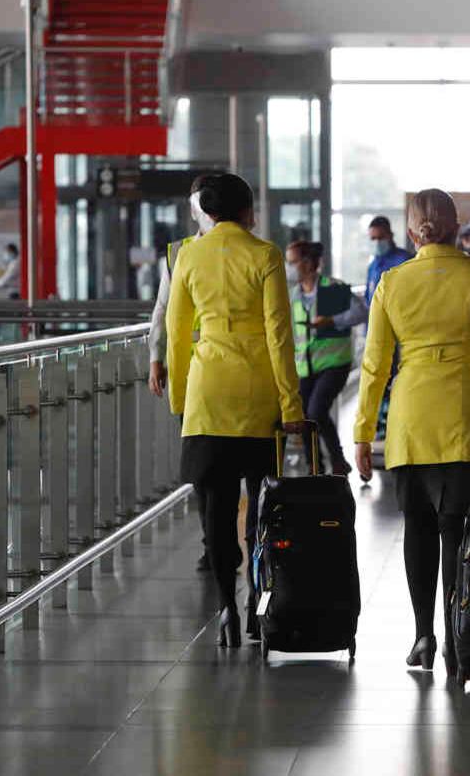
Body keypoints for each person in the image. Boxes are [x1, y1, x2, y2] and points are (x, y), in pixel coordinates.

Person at [353, 189, 470, 673]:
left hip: (412, 418)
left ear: (411, 232)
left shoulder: (391, 282)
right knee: (460, 530)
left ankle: (423, 635)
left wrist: (364, 432)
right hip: (467, 415)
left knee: (419, 529)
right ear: (455, 227)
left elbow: (374, 365)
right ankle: (457, 635)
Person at [167, 172, 306, 650]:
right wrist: (291, 402)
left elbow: (177, 333)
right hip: (256, 390)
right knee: (261, 503)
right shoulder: (264, 254)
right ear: (248, 211)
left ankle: (225, 603)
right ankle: (255, 604)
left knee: (215, 506)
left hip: (207, 391)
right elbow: (279, 335)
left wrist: (180, 400)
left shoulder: (188, 254)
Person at [148, 177, 215, 572]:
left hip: (224, 375)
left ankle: (240, 540)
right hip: (189, 375)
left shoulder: (252, 253)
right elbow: (161, 309)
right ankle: (214, 541)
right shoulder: (178, 253)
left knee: (218, 466)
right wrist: (156, 357)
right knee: (204, 468)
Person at [286, 240, 367, 475]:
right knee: (304, 417)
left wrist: (332, 321)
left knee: (317, 411)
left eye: (292, 262)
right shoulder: (293, 295)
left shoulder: (333, 287)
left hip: (334, 363)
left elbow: (362, 311)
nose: (289, 267)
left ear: (308, 263)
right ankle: (315, 466)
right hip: (305, 366)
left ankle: (338, 460)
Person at [365, 215, 412, 443]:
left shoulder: (405, 260)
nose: (376, 242)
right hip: (379, 337)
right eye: (372, 238)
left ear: (390, 235)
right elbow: (368, 300)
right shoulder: (373, 265)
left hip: (401, 336)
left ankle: (397, 430)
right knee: (380, 383)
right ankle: (381, 431)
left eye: (380, 237)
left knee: (397, 383)